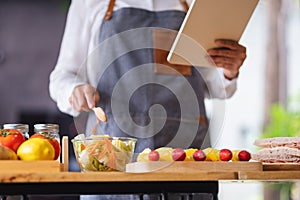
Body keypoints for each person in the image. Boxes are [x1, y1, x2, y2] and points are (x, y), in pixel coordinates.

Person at [49, 0, 247, 199]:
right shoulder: (90, 3)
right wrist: (73, 90)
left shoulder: (192, 5)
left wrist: (229, 69)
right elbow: (62, 77)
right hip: (112, 157)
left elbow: (215, 86)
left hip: (188, 153)